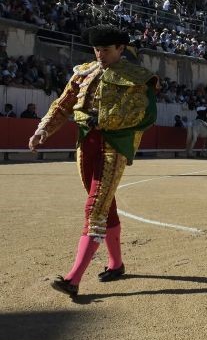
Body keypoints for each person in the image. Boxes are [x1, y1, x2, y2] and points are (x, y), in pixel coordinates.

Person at [29, 25, 159, 297]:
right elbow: (63, 104)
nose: (100, 54)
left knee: (95, 207)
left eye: (106, 50)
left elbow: (144, 115)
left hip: (113, 145)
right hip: (85, 144)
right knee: (105, 204)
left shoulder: (137, 77)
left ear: (120, 49)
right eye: (97, 49)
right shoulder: (84, 72)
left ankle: (73, 279)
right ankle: (116, 264)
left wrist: (104, 120)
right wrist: (43, 129)